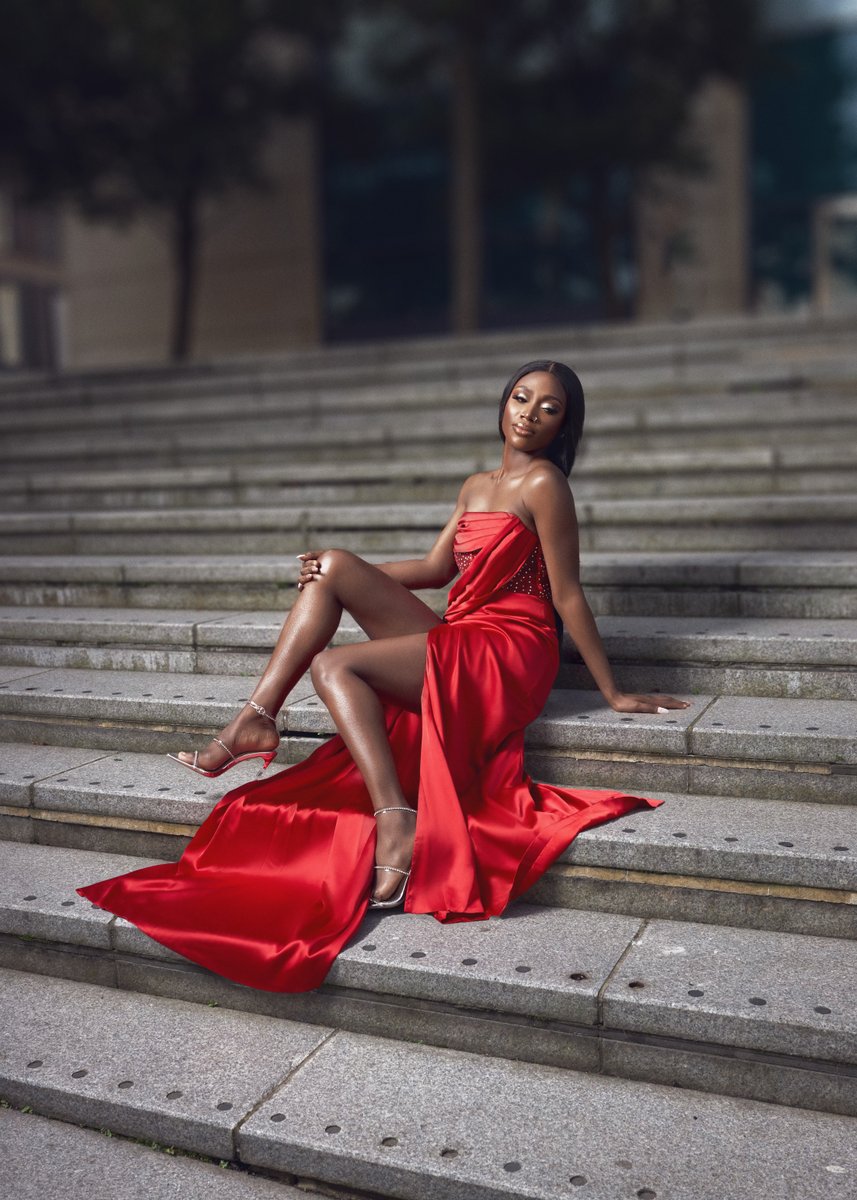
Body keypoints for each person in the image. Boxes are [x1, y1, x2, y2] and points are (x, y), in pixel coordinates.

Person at [77, 360, 690, 992]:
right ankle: (255, 719)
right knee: (334, 565)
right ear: (502, 403)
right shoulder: (477, 485)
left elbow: (566, 596)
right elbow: (432, 569)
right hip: (461, 632)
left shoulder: (545, 485)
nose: (528, 414)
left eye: (548, 407)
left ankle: (395, 816)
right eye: (520, 398)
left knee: (334, 664)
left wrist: (611, 691)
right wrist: (341, 571)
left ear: (565, 423)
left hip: (509, 649)